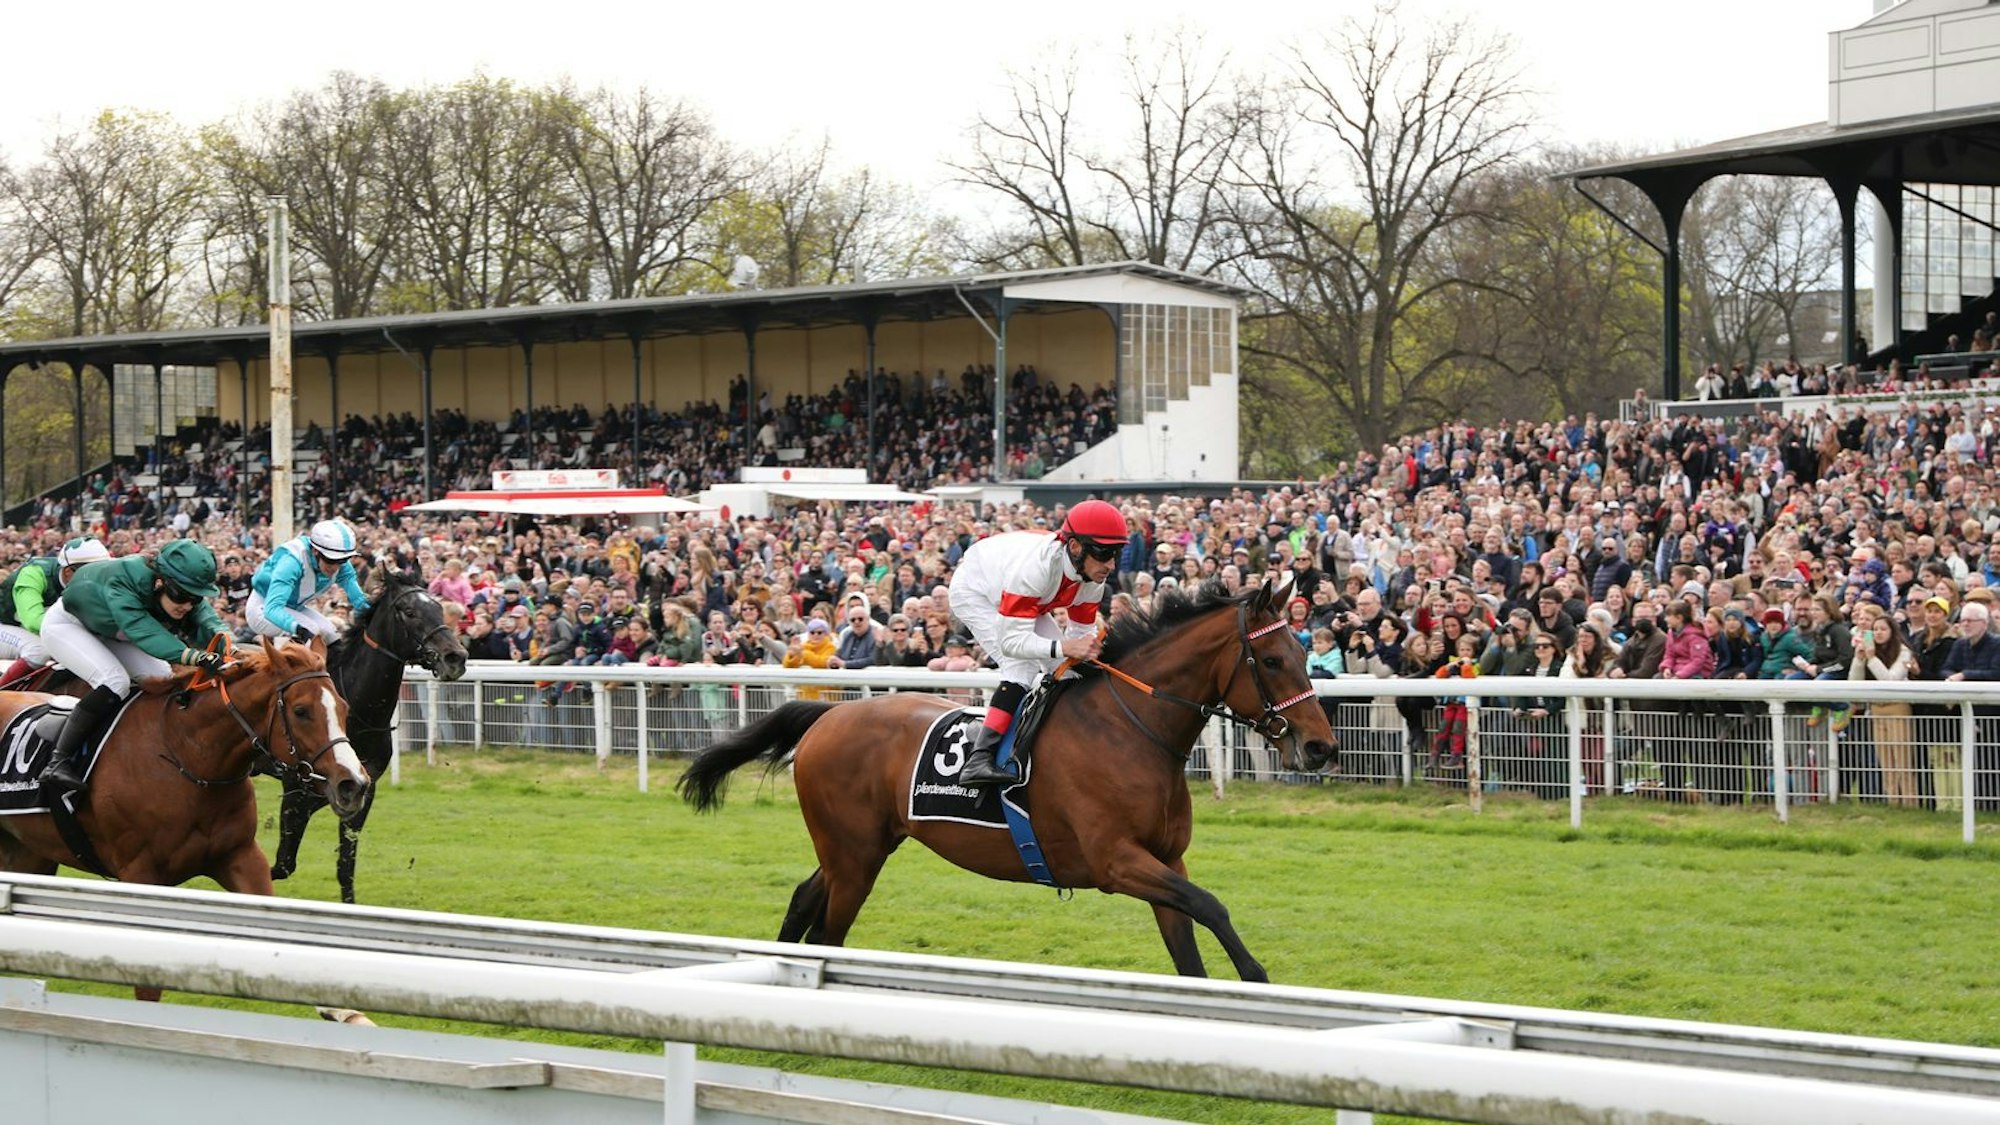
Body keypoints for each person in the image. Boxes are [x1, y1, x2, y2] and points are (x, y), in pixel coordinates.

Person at [946, 497, 1122, 786]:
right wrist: (1064, 647)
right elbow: (1011, 644)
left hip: (1024, 598)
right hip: (976, 590)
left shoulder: (1093, 579)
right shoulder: (1036, 568)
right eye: (1104, 553)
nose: (1111, 565)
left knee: (1069, 669)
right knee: (1020, 666)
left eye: (1116, 553)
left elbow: (1079, 640)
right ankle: (979, 758)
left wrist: (1083, 653)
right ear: (1076, 547)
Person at [37, 540, 230, 792]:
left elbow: (206, 618)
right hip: (69, 625)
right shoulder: (123, 579)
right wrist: (194, 656)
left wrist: (227, 644)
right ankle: (57, 761)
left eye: (196, 597)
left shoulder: (174, 584)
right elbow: (142, 630)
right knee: (114, 681)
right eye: (182, 595)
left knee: (161, 677)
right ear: (160, 581)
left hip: (111, 630)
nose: (187, 604)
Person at [0, 536, 112, 684]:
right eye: (94, 572)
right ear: (68, 572)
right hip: (6, 626)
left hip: (34, 630)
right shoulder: (33, 573)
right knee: (38, 651)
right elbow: (33, 622)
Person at [248, 519, 372, 642]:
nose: (335, 567)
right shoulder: (292, 562)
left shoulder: (342, 566)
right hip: (263, 608)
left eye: (343, 560)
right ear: (315, 551)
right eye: (330, 560)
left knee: (332, 634)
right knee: (312, 632)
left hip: (294, 608)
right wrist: (298, 629)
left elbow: (359, 600)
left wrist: (374, 614)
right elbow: (272, 609)